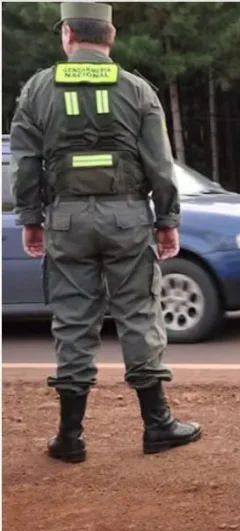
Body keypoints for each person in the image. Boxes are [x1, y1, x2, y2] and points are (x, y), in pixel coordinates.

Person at [8, 2, 201, 463]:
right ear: (110, 37)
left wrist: (31, 220)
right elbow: (160, 165)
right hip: (128, 219)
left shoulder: (38, 89)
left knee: (73, 321)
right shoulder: (136, 90)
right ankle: (157, 426)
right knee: (138, 314)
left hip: (67, 221)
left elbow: (26, 165)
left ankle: (70, 437)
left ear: (69, 35)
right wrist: (167, 221)